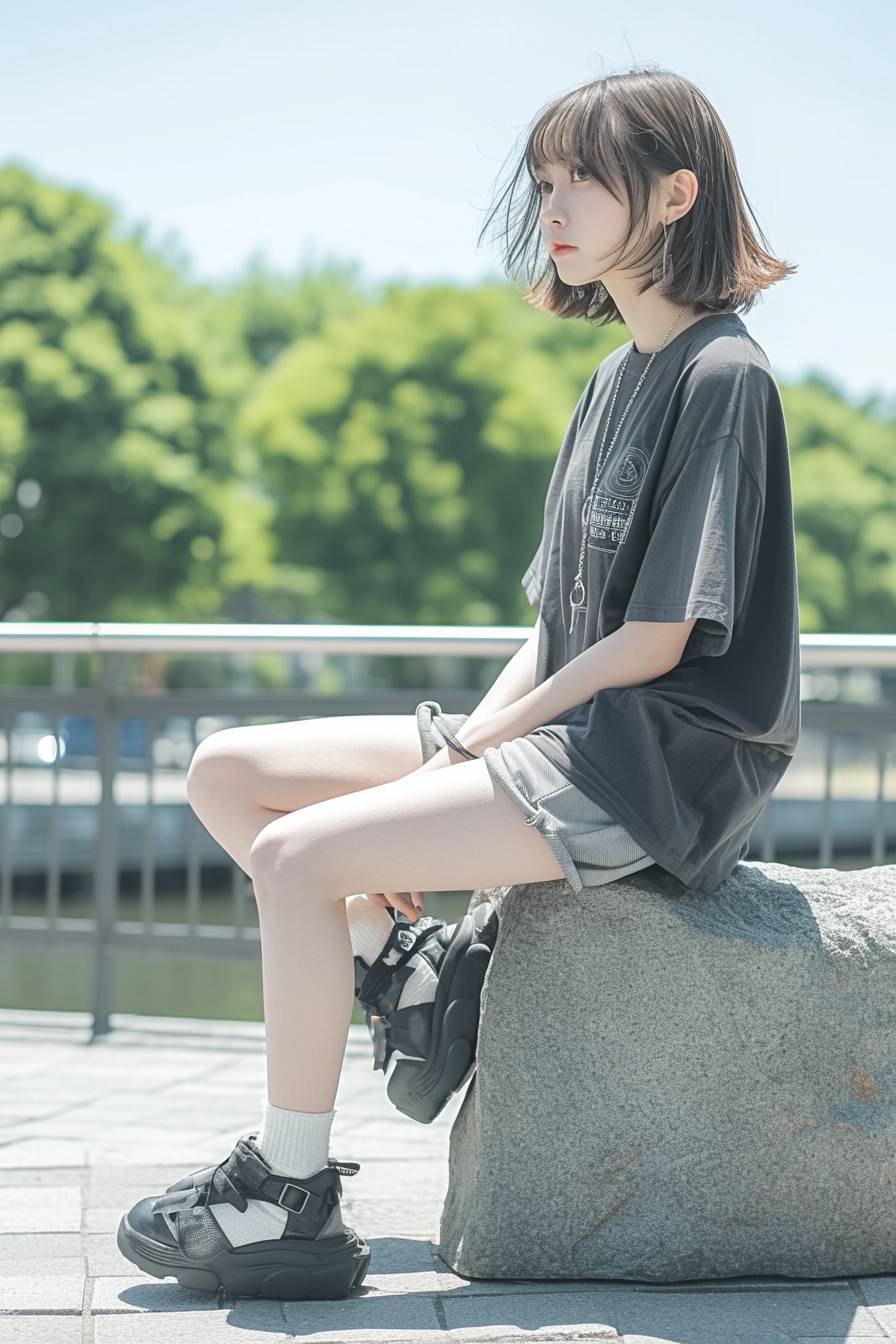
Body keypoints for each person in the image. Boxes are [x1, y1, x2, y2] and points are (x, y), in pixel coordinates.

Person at [116, 64, 801, 1301]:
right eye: (544, 180)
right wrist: (470, 737)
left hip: (660, 765)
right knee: (228, 774)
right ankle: (415, 970)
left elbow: (653, 642)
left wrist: (482, 746)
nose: (554, 203)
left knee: (294, 859)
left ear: (673, 194)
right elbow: (551, 623)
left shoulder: (722, 375)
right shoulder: (610, 382)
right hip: (570, 732)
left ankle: (291, 1195)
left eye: (583, 178)